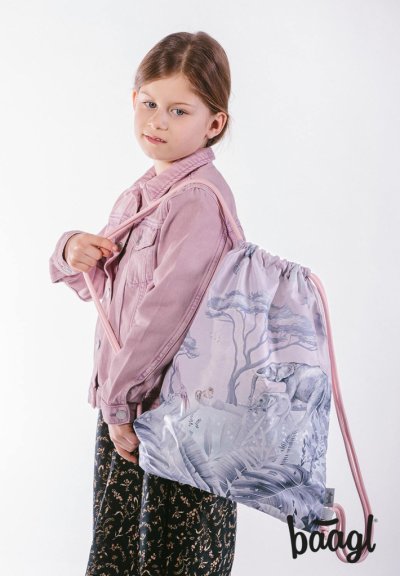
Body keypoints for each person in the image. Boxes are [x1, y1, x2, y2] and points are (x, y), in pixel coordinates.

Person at [49, 30, 246, 576]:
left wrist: (120, 404)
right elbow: (107, 293)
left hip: (175, 419)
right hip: (136, 410)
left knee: (166, 559)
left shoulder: (197, 202)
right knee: (124, 555)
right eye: (149, 103)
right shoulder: (145, 193)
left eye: (179, 111)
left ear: (214, 123)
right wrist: (70, 249)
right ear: (133, 98)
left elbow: (164, 318)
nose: (157, 121)